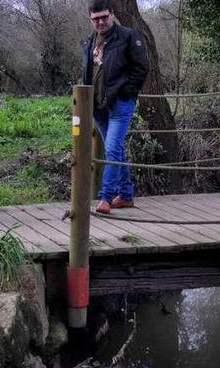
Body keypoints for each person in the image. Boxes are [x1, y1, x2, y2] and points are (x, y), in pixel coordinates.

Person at [81, 0, 149, 215]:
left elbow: (142, 67)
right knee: (116, 149)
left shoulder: (128, 36)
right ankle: (126, 195)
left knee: (111, 149)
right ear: (90, 19)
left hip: (120, 104)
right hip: (98, 106)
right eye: (96, 18)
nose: (100, 21)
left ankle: (106, 197)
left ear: (112, 14)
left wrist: (127, 92)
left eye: (104, 16)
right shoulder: (91, 41)